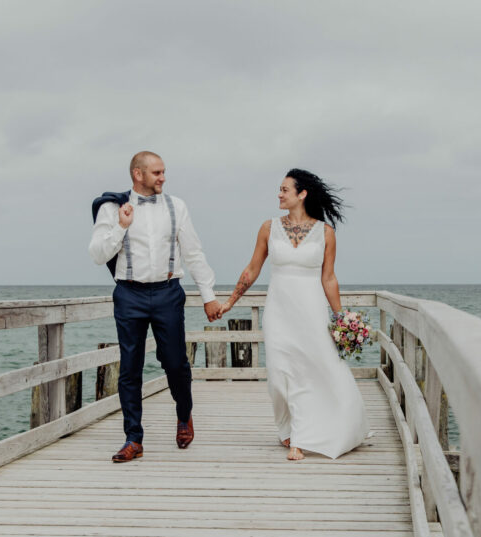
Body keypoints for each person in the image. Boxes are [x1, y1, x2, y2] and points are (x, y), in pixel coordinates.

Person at [220, 168, 370, 460]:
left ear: (302, 194)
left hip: (311, 310)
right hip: (279, 310)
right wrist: (230, 302)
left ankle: (299, 439)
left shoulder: (326, 233)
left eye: (285, 189)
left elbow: (328, 278)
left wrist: (342, 318)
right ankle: (287, 428)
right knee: (278, 375)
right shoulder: (268, 228)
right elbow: (252, 269)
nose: (279, 194)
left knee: (309, 371)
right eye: (280, 189)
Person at [89, 151, 224, 463]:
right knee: (130, 367)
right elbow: (97, 254)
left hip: (167, 292)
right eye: (157, 173)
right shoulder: (112, 208)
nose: (163, 178)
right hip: (129, 294)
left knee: (175, 362)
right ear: (138, 174)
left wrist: (208, 295)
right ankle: (133, 438)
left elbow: (193, 252)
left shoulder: (177, 206)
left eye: (163, 172)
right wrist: (121, 226)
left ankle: (184, 414)